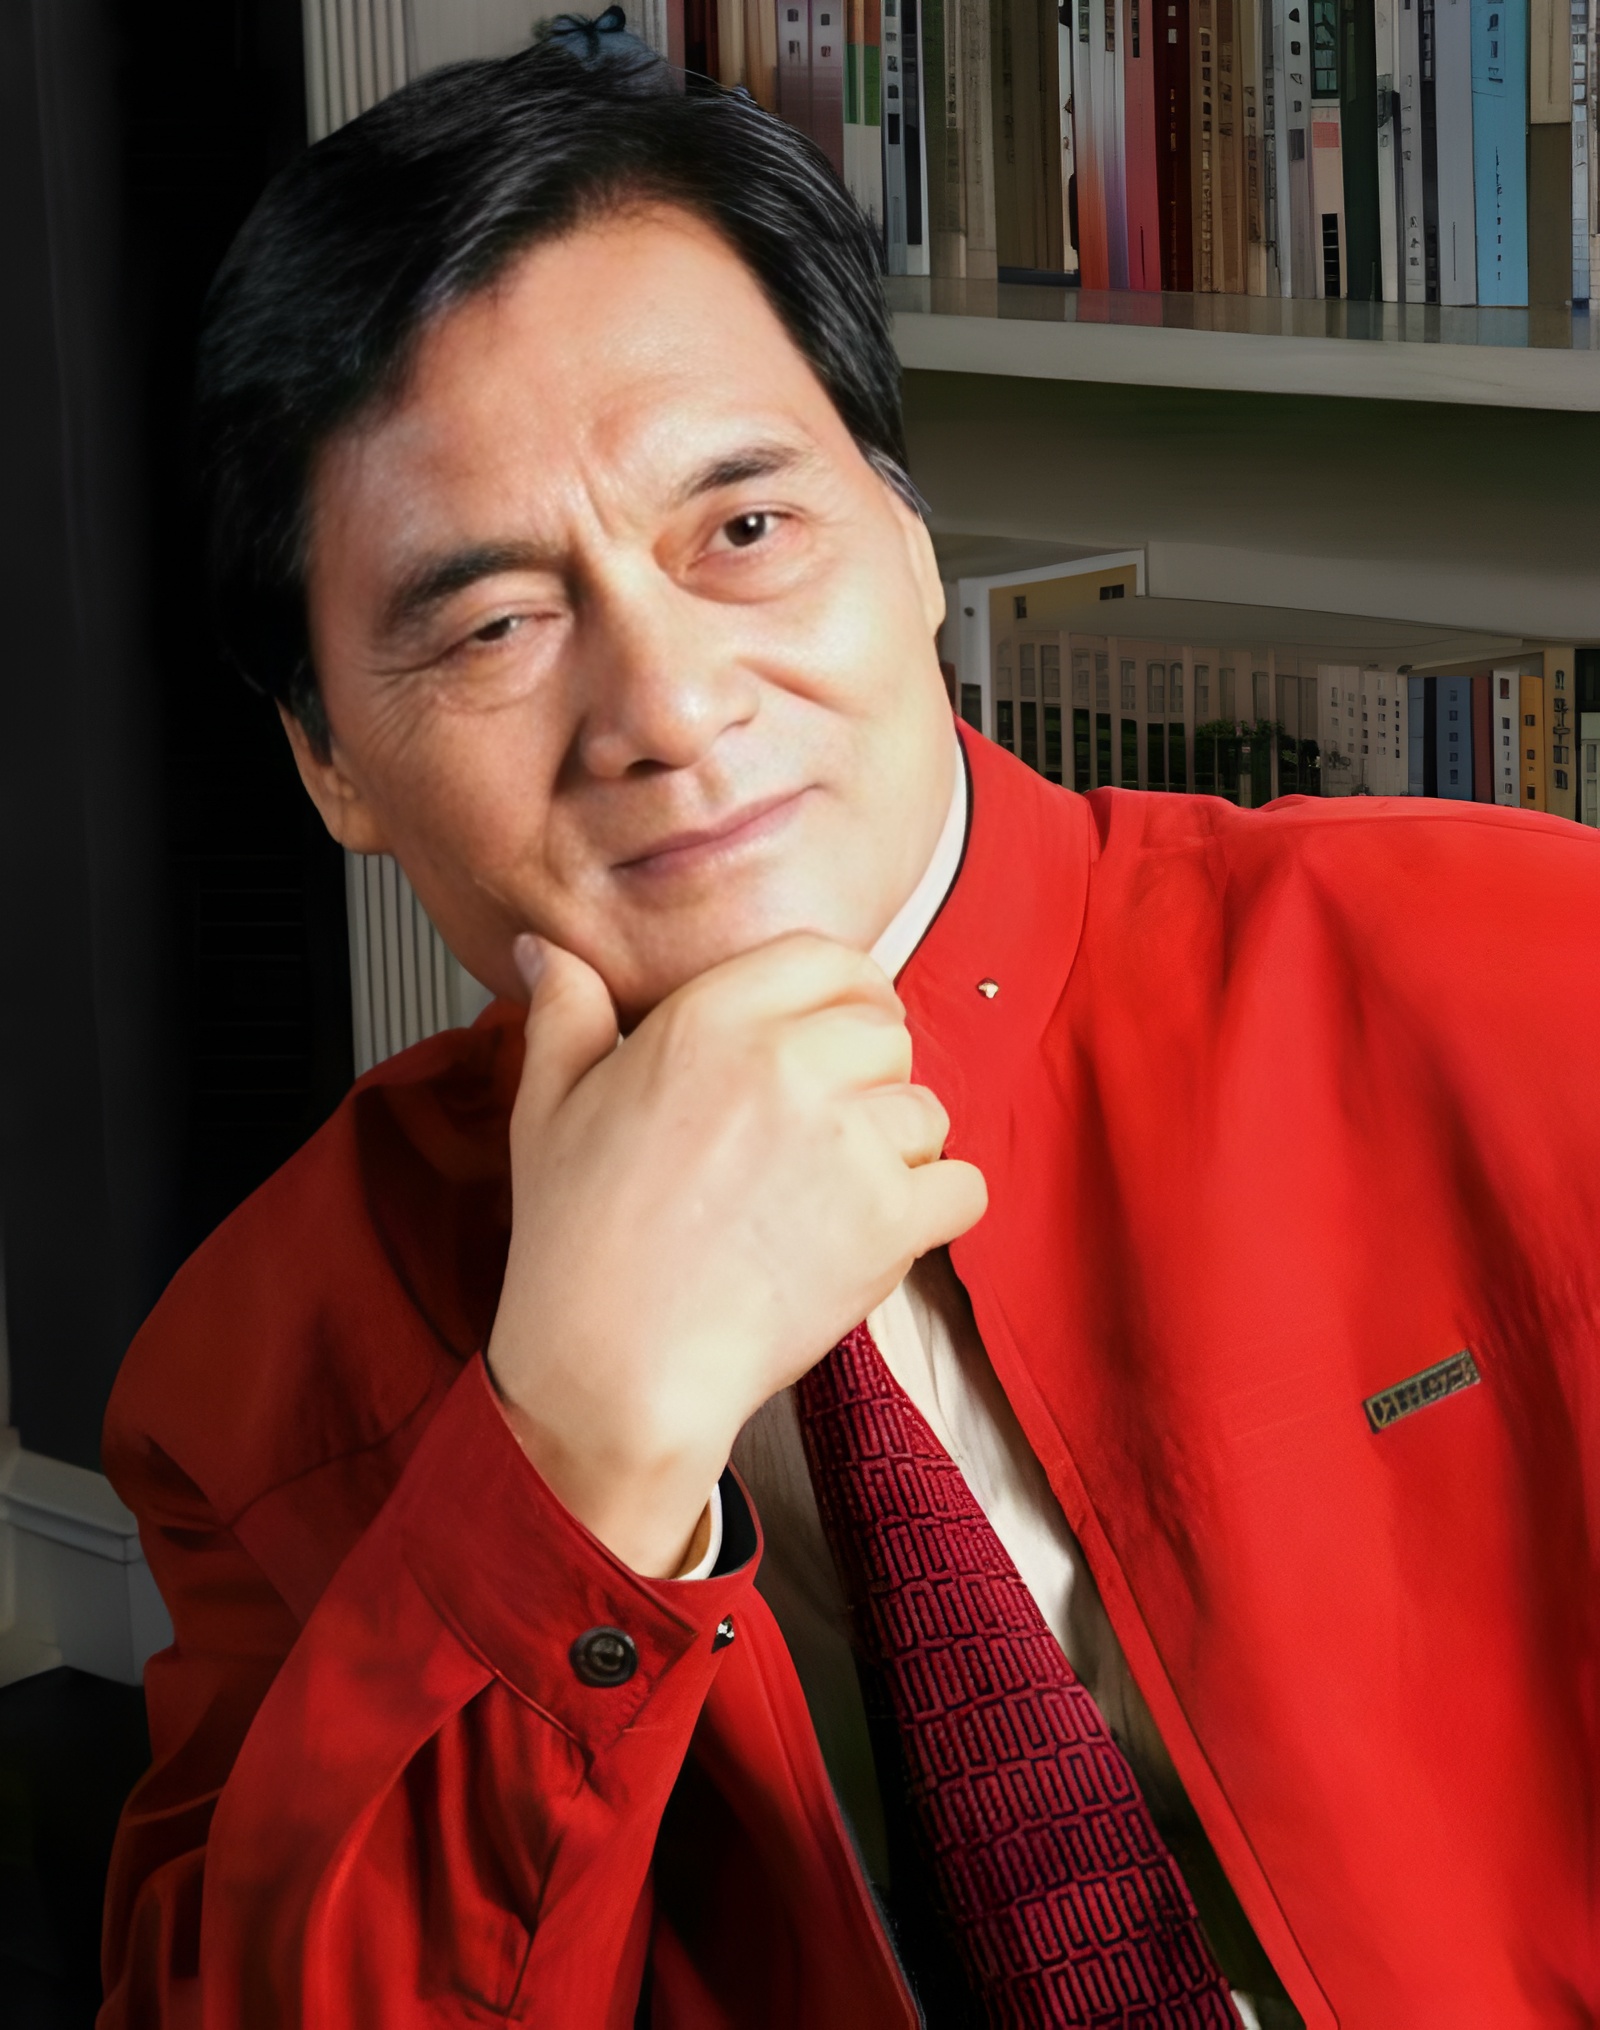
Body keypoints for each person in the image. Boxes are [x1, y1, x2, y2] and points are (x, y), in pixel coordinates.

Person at [98, 15, 1599, 2029]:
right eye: (494, 623)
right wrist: (572, 1449)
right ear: (330, 765)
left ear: (905, 542)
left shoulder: (1527, 977)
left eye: (742, 529)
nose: (667, 708)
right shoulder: (259, 1372)